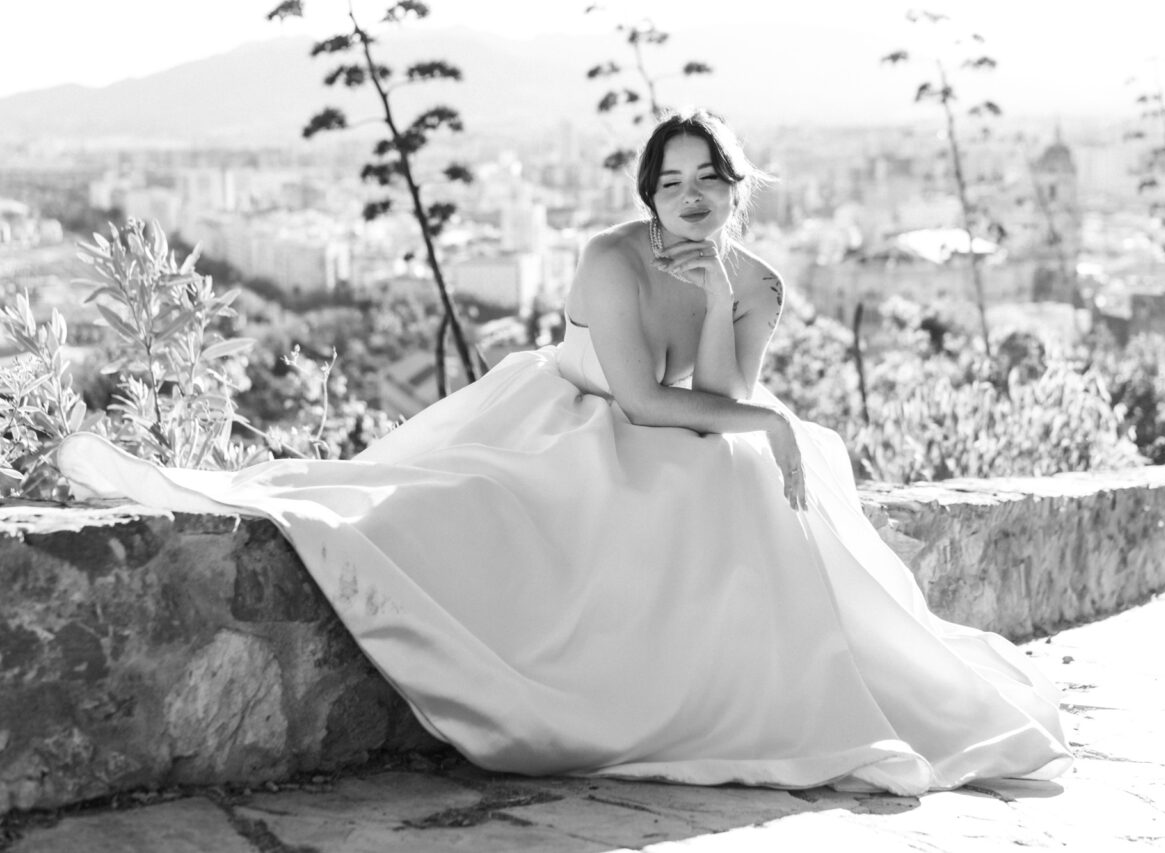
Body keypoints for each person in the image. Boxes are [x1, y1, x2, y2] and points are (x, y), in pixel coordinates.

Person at [58, 109, 1072, 796]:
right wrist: (763, 423)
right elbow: (635, 396)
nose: (686, 195)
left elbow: (717, 394)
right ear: (644, 193)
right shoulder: (606, 259)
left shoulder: (754, 281)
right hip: (566, 412)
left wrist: (718, 296)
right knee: (460, 503)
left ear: (734, 184)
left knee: (743, 468)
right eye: (667, 181)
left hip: (679, 424)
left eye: (705, 178)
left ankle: (743, 689)